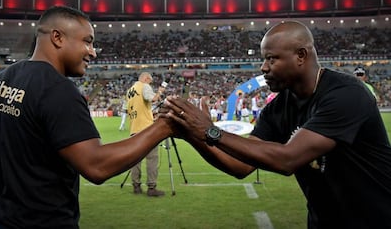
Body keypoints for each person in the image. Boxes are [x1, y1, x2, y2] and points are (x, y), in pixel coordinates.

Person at [162, 21, 391, 229]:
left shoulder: (345, 94)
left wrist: (210, 131)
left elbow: (287, 159)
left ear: (301, 55)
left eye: (272, 59)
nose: (263, 67)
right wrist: (191, 132)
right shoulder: (278, 108)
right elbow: (240, 166)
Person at [0, 6, 175, 229]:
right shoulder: (58, 90)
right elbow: (96, 166)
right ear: (57, 37)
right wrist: (164, 127)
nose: (93, 52)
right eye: (87, 41)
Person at [126, 72, 166, 197]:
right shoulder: (144, 86)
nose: (150, 83)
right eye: (150, 81)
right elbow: (153, 99)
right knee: (152, 158)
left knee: (135, 160)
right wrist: (159, 92)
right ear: (145, 78)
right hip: (146, 129)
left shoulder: (130, 90)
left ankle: (136, 186)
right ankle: (151, 187)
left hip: (134, 128)